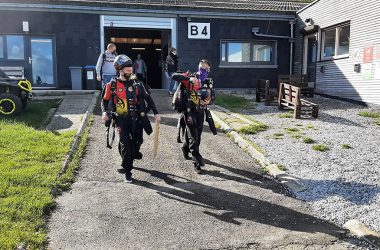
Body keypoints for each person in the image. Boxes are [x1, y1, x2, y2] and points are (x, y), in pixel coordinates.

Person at [101, 54, 161, 183]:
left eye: (131, 67)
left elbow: (147, 97)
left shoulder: (137, 83)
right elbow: (105, 101)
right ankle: (127, 170)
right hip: (120, 120)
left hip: (136, 119)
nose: (130, 69)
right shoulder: (112, 85)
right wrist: (104, 112)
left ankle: (131, 154)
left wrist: (156, 112)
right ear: (120, 69)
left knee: (137, 142)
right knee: (125, 144)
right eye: (127, 67)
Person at [171, 59, 214, 173]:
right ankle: (197, 163)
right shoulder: (190, 78)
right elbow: (173, 76)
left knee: (197, 137)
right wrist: (188, 78)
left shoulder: (207, 82)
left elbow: (212, 96)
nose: (203, 70)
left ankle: (185, 148)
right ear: (198, 67)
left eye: (206, 69)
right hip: (189, 111)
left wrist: (208, 101)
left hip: (200, 112)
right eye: (202, 68)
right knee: (193, 137)